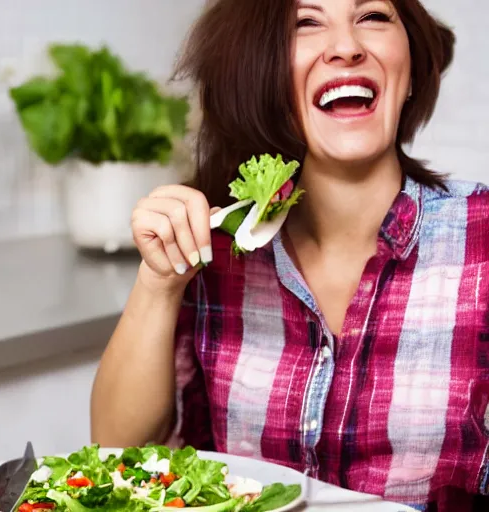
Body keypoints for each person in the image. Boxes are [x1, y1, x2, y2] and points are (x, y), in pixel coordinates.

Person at [90, 0, 489, 509]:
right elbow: (115, 456)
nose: (346, 47)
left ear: (410, 71)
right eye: (307, 22)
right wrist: (158, 281)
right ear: (264, 76)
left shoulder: (480, 237)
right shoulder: (211, 247)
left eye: (372, 16)